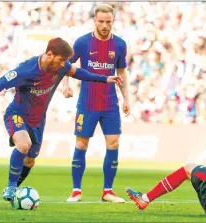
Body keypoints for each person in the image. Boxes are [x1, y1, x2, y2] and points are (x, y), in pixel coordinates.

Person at [0, 37, 123, 206]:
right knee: (23, 144)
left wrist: (105, 79)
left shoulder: (61, 67)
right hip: (17, 114)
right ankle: (11, 187)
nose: (64, 63)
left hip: (38, 121)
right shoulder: (26, 70)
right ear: (49, 54)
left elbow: (78, 72)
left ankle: (13, 191)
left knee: (30, 161)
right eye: (61, 59)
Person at [62, 3, 130, 203]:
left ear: (113, 21)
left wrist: (126, 98)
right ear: (94, 20)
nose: (104, 25)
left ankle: (107, 191)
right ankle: (76, 190)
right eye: (101, 21)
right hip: (87, 103)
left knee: (114, 143)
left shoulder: (119, 44)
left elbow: (122, 73)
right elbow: (66, 65)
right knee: (82, 143)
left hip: (110, 104)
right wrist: (65, 84)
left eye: (108, 22)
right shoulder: (83, 42)